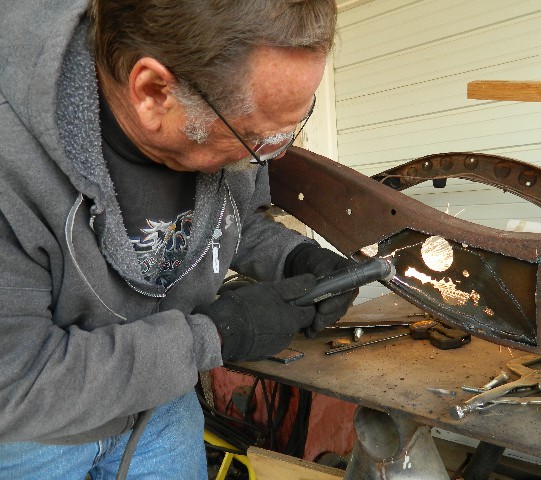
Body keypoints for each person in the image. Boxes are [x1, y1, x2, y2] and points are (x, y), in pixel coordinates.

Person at [0, 1, 355, 478]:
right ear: (152, 92)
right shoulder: (11, 162)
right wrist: (217, 335)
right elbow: (16, 382)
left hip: (161, 404)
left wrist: (295, 257)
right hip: (35, 431)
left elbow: (234, 221)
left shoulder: (220, 120)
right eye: (257, 137)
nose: (275, 150)